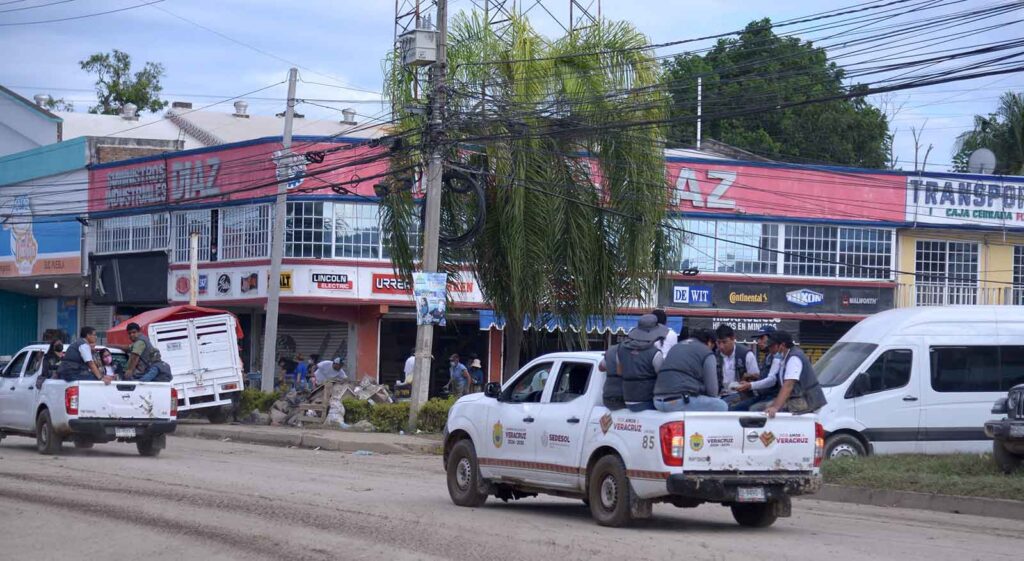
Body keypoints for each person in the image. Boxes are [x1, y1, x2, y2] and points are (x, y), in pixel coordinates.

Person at [738, 331, 827, 418]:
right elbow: (773, 379)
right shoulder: (783, 357)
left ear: (782, 345)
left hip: (806, 401)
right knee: (758, 408)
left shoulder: (794, 358)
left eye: (772, 346)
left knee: (759, 410)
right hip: (796, 399)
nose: (770, 349)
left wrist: (775, 407)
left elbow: (788, 385)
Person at [653, 329, 728, 412]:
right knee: (721, 405)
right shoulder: (706, 352)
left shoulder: (676, 346)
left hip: (658, 401)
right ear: (710, 342)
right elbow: (712, 392)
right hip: (678, 401)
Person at [618, 314, 668, 412]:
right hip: (647, 401)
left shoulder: (621, 349)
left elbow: (619, 372)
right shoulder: (655, 353)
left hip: (627, 399)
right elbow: (662, 378)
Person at [715, 324, 761, 407]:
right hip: (719, 395)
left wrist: (745, 383)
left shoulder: (746, 354)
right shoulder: (715, 356)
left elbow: (756, 378)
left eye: (724, 342)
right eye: (718, 342)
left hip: (742, 395)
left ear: (733, 339)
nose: (721, 346)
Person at [599, 342, 625, 410]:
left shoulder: (611, 350)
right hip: (625, 397)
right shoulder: (635, 351)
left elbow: (601, 367)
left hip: (608, 397)